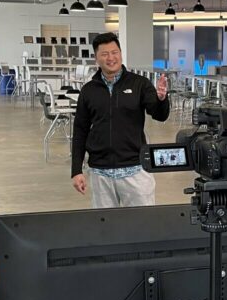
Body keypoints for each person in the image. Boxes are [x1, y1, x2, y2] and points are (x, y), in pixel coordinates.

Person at [71, 33, 170, 207]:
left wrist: (161, 99)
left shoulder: (139, 84)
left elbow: (159, 115)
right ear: (96, 58)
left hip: (135, 170)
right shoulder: (88, 90)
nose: (111, 58)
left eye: (114, 52)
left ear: (121, 53)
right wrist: (76, 170)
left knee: (142, 226)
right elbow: (80, 130)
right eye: (105, 54)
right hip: (100, 172)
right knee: (106, 229)